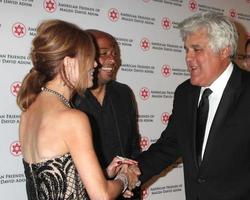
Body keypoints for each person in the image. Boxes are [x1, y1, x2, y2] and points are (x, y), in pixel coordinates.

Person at [128, 12, 250, 200]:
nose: (188, 57)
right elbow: (169, 146)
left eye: (196, 49)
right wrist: (130, 174)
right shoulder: (185, 93)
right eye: (186, 50)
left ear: (224, 51)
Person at [16, 19, 140, 200]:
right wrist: (125, 178)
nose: (95, 65)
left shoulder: (29, 111)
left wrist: (105, 173)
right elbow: (102, 196)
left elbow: (60, 180)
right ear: (68, 63)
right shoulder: (72, 118)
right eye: (89, 57)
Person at [73, 29, 141, 200]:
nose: (113, 60)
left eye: (115, 54)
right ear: (85, 56)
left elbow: (133, 143)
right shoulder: (69, 99)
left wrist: (131, 177)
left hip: (126, 192)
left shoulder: (124, 93)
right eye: (104, 53)